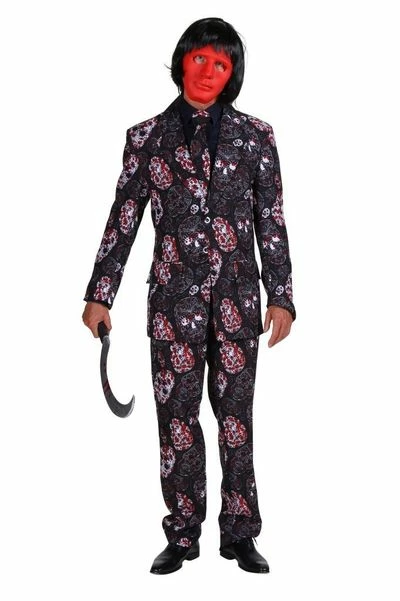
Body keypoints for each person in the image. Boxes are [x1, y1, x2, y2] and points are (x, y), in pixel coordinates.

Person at [82, 17, 296, 575]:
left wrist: (281, 295)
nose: (208, 72)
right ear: (182, 60)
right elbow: (124, 219)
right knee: (176, 418)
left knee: (235, 420)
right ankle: (182, 533)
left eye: (221, 64)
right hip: (172, 306)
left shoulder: (256, 137)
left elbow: (270, 220)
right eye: (200, 58)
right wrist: (101, 293)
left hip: (238, 303)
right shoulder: (146, 138)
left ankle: (240, 534)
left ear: (232, 75)